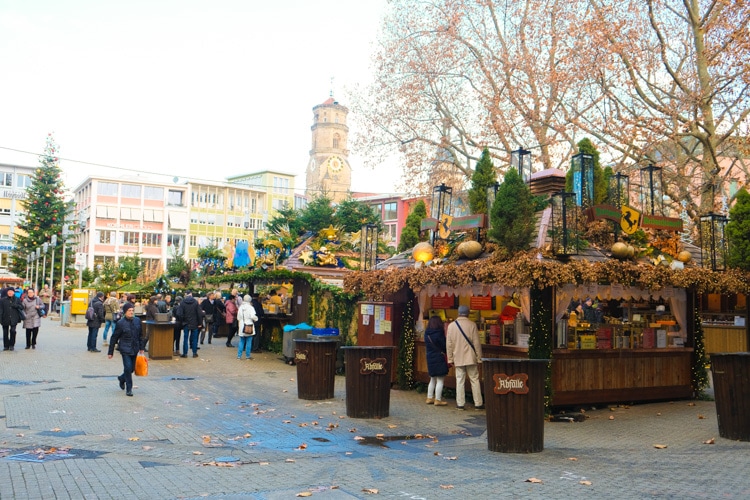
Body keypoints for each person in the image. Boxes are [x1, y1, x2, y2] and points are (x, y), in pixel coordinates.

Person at [446, 305, 484, 410]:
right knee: (474, 379)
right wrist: (479, 357)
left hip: (457, 357)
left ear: (458, 313)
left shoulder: (451, 326)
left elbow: (449, 344)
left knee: (459, 380)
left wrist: (450, 358)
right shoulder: (472, 325)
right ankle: (478, 403)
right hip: (470, 357)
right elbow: (476, 343)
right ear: (468, 313)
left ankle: (460, 404)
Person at [107, 302, 145, 397]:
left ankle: (121, 378)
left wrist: (141, 347)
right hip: (125, 348)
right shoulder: (120, 323)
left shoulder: (137, 321)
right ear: (125, 312)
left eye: (132, 310)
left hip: (135, 348)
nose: (131, 312)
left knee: (131, 369)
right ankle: (129, 389)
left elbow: (141, 335)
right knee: (128, 368)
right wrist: (110, 352)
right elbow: (114, 337)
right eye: (129, 311)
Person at [424, 315, 449, 406]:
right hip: (439, 357)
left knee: (432, 378)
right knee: (440, 379)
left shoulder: (427, 333)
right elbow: (444, 346)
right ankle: (438, 399)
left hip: (430, 357)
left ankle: (429, 397)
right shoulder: (439, 333)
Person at [177, 290, 204, 358]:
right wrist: (200, 323)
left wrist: (182, 320)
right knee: (194, 338)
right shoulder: (195, 302)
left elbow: (179, 313)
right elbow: (199, 313)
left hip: (186, 323)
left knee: (185, 338)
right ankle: (194, 353)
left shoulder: (183, 302)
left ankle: (185, 353)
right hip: (194, 323)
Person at [237, 294, 258, 360]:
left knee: (241, 341)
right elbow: (253, 316)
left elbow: (238, 317)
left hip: (242, 325)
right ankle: (247, 356)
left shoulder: (241, 307)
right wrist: (256, 319)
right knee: (249, 341)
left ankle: (239, 356)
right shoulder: (251, 307)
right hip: (249, 325)